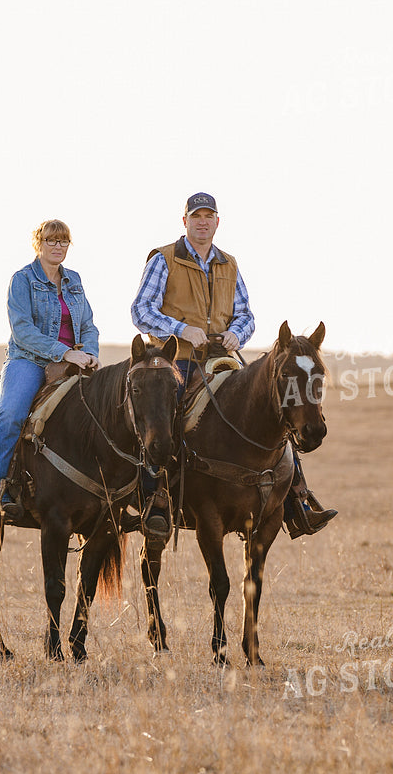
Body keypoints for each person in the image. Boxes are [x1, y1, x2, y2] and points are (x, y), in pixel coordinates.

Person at [131, 191, 336, 537]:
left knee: (273, 409)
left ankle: (297, 500)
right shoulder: (163, 259)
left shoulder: (229, 263)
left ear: (217, 222)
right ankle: (157, 500)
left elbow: (246, 315)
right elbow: (141, 310)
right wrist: (183, 330)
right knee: (164, 417)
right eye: (196, 216)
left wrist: (235, 335)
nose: (202, 222)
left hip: (224, 356)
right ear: (185, 221)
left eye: (208, 216)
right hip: (176, 359)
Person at [0, 220, 99, 518]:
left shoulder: (74, 280)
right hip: (29, 360)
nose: (57, 247)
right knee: (11, 415)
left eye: (63, 241)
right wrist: (63, 352)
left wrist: (90, 353)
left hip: (73, 362)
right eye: (51, 241)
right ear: (38, 244)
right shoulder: (22, 280)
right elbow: (22, 330)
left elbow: (88, 325)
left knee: (108, 410)